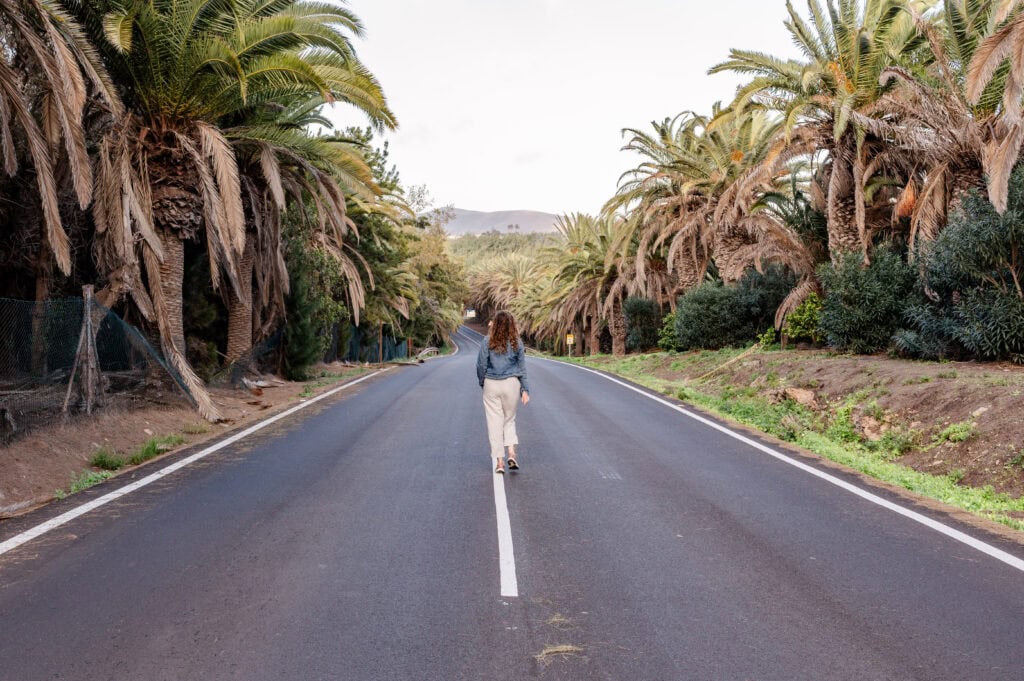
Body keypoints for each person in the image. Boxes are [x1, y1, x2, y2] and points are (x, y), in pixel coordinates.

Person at [476, 311, 530, 474]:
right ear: (511, 324)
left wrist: (482, 382)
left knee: (494, 423)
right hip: (511, 384)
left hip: (491, 384)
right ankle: (511, 453)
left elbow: (481, 365)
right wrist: (525, 389)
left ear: (495, 324)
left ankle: (499, 462)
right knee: (509, 419)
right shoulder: (517, 342)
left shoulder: (487, 341)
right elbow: (522, 369)